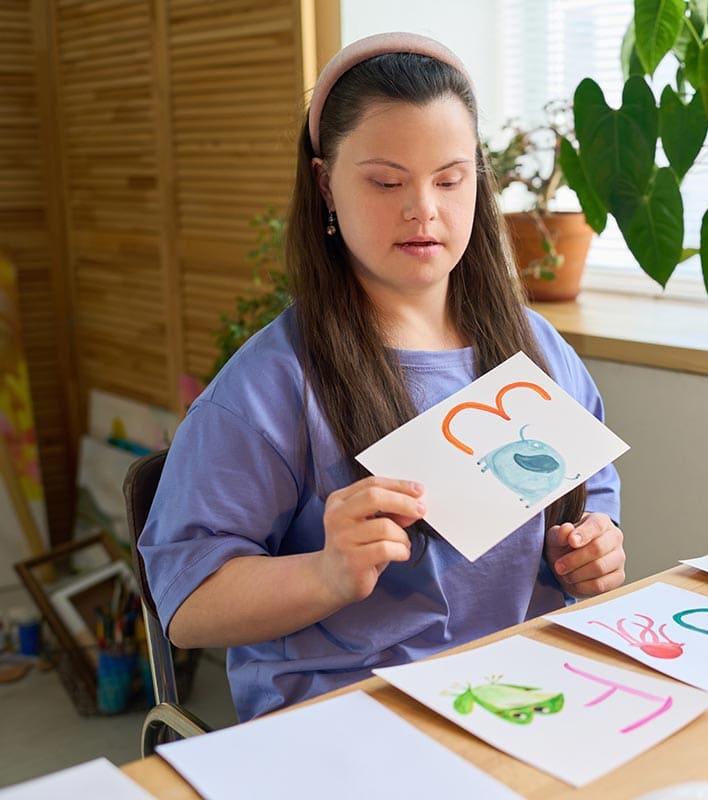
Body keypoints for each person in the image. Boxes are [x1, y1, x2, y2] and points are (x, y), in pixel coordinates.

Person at [138, 32, 625, 721]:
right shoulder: (269, 388)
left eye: (451, 180)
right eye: (386, 182)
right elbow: (186, 607)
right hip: (351, 717)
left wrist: (595, 546)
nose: (423, 209)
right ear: (324, 184)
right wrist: (326, 573)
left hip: (523, 694)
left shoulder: (535, 349)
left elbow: (592, 491)